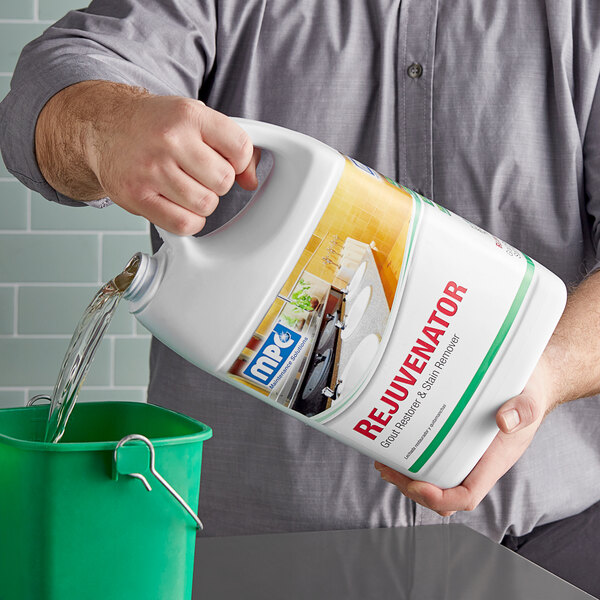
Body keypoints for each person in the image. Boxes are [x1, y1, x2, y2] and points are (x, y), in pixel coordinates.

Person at [1, 0, 600, 595]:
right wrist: (108, 127)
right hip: (249, 555)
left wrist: (547, 372)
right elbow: (55, 77)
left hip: (549, 551)